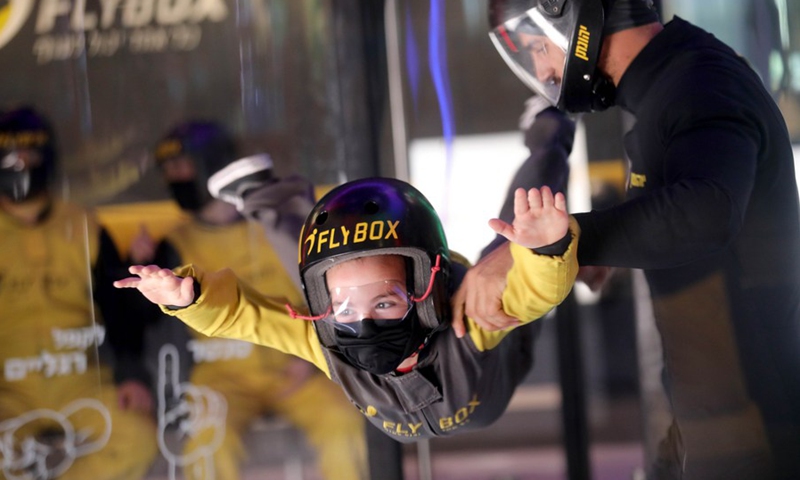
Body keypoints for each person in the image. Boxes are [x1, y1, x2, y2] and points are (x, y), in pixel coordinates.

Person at [487, 0, 800, 478]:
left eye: (537, 48)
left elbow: (706, 214)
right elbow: (691, 227)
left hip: (757, 429)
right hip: (716, 417)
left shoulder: (699, 82)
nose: (543, 68)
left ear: (573, 17)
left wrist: (570, 239)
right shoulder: (672, 82)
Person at [114, 164, 580, 442]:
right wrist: (189, 301)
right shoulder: (329, 339)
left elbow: (533, 291)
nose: (363, 324)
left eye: (385, 304)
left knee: (510, 239)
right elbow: (247, 317)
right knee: (319, 266)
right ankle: (265, 196)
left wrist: (545, 249)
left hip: (495, 368)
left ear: (423, 290)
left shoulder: (468, 319)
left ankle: (550, 128)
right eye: (346, 309)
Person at [129, 120, 367, 480]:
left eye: (183, 165)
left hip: (297, 364)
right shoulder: (171, 243)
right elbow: (142, 321)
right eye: (168, 171)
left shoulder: (277, 223)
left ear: (212, 162)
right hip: (222, 379)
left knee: (346, 425)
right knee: (209, 442)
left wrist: (316, 358)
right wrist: (136, 264)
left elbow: (328, 289)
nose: (175, 177)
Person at [0, 106, 158, 479]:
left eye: (31, 154)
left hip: (82, 381)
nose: (22, 164)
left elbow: (117, 307)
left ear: (48, 158)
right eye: (11, 155)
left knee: (137, 437)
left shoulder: (83, 224)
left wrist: (132, 375)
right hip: (9, 391)